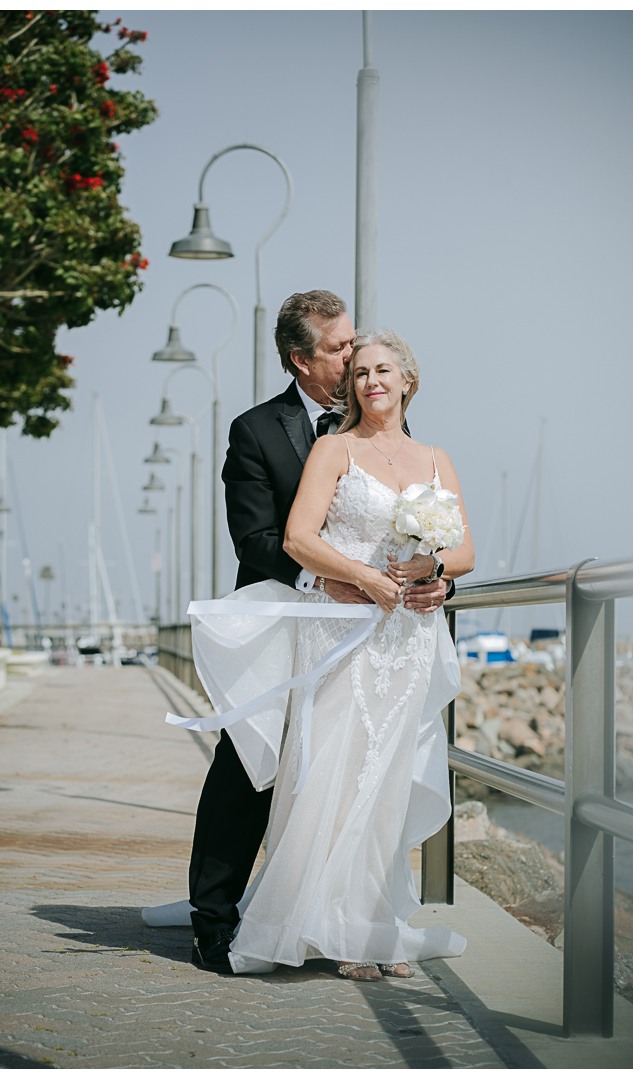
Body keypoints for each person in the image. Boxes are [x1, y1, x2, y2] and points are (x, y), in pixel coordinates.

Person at [142, 292, 451, 972]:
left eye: (355, 346)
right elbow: (257, 538)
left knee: (354, 769)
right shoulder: (258, 431)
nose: (352, 357)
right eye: (339, 349)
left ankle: (341, 913)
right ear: (300, 359)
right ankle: (215, 918)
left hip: (373, 629)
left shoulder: (377, 423)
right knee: (250, 764)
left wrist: (438, 579)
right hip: (286, 614)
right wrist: (326, 577)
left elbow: (421, 525)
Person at [222, 328, 475, 977]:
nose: (371, 382)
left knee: (388, 777)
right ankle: (322, 925)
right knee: (332, 772)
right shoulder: (333, 450)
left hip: (408, 637)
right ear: (350, 386)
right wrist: (363, 578)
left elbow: (466, 550)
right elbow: (301, 538)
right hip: (344, 629)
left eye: (383, 369)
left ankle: (371, 922)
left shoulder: (436, 458)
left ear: (407, 379)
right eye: (360, 372)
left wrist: (437, 573)